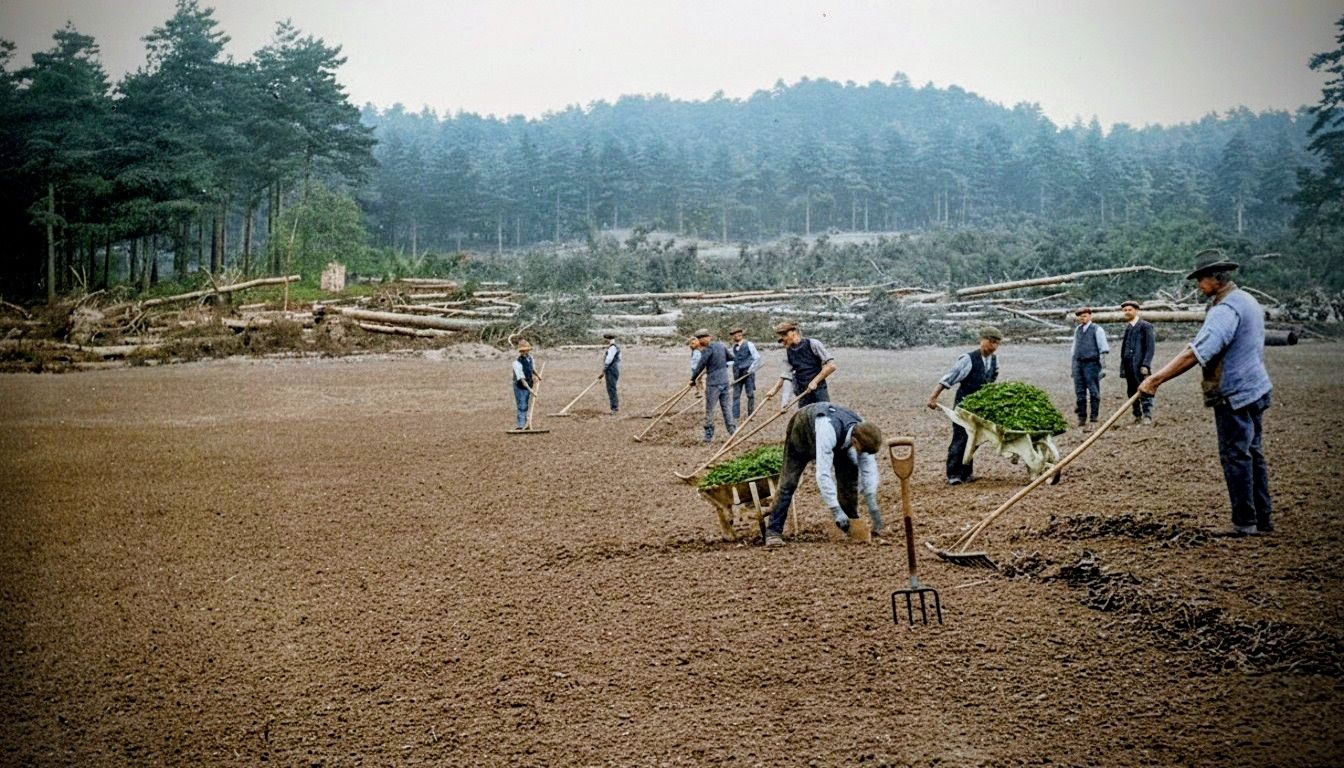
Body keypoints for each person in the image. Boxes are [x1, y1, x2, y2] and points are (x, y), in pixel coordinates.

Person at [1140, 248, 1274, 536]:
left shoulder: (1225, 310)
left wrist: (1156, 380)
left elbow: (1196, 353)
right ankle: (1262, 519)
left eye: (1201, 279)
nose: (1198, 285)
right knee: (1252, 453)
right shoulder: (1247, 299)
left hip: (1235, 393)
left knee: (1236, 456)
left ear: (1216, 278)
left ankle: (1245, 523)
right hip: (1256, 387)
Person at [763, 403, 885, 547]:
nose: (861, 454)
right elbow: (823, 474)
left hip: (837, 439)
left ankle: (850, 524)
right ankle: (773, 532)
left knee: (849, 475)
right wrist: (835, 510)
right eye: (861, 450)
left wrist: (872, 504)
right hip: (802, 431)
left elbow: (868, 468)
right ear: (854, 441)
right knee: (788, 482)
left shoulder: (863, 429)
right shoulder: (828, 430)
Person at [926, 326, 1002, 485]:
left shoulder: (994, 360)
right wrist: (933, 397)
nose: (994, 346)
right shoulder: (968, 359)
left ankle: (967, 473)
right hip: (963, 405)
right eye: (991, 342)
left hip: (980, 407)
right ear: (982, 340)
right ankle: (953, 474)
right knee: (960, 438)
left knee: (973, 439)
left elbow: (992, 378)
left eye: (997, 343)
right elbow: (949, 378)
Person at [773, 320, 836, 409]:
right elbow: (787, 375)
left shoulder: (813, 344)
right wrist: (778, 395)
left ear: (793, 332)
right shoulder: (788, 352)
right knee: (805, 420)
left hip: (819, 390)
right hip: (802, 392)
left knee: (823, 417)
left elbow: (831, 366)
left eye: (785, 335)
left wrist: (814, 382)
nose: (784, 339)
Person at [690, 328, 737, 443]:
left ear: (706, 338)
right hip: (725, 381)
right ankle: (733, 432)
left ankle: (708, 436)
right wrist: (720, 365)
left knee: (709, 409)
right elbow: (731, 358)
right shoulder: (721, 345)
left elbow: (700, 366)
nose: (701, 341)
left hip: (713, 384)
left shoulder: (707, 350)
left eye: (701, 339)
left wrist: (692, 380)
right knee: (726, 407)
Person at [1070, 307, 1110, 431]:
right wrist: (1073, 367)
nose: (1083, 318)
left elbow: (1103, 349)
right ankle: (1082, 418)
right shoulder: (1078, 330)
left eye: (1085, 316)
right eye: (1080, 316)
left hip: (1092, 363)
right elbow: (1073, 349)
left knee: (1093, 391)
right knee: (1080, 392)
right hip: (1078, 363)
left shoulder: (1097, 329)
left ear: (1090, 316)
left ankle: (1094, 418)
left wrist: (1103, 368)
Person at [1118, 300, 1157, 426]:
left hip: (1140, 366)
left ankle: (1147, 415)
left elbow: (1150, 348)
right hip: (1129, 366)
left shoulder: (1146, 326)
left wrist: (1145, 364)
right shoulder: (1128, 328)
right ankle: (1137, 415)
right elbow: (1124, 349)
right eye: (1125, 310)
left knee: (1144, 389)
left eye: (1129, 310)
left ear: (1136, 310)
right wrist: (1123, 366)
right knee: (1131, 391)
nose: (1127, 312)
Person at [729, 327, 762, 419]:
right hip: (737, 375)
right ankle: (735, 416)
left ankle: (751, 415)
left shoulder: (749, 344)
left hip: (748, 374)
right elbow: (733, 360)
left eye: (739, 333)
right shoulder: (734, 348)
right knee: (736, 395)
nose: (737, 335)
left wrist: (750, 369)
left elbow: (757, 358)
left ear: (742, 334)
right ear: (733, 337)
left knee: (750, 394)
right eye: (735, 334)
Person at [511, 339, 541, 429]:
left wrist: (538, 376)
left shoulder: (530, 358)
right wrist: (530, 390)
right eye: (523, 351)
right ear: (521, 351)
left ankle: (527, 424)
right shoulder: (516, 363)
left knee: (528, 405)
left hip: (529, 383)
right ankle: (521, 425)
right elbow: (522, 379)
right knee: (522, 405)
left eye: (526, 350)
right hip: (520, 386)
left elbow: (532, 369)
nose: (525, 352)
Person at [601, 333, 620, 414]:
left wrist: (604, 369)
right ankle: (614, 407)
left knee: (611, 389)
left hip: (611, 370)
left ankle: (614, 408)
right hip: (613, 369)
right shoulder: (614, 347)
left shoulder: (612, 348)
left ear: (607, 339)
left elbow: (609, 360)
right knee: (611, 388)